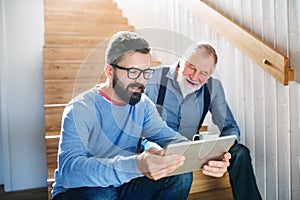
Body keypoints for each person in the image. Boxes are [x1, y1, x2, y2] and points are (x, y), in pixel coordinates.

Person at [51, 31, 231, 200]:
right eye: (133, 72)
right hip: (80, 190)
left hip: (123, 185)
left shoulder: (143, 105)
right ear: (109, 71)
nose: (141, 81)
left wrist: (209, 157)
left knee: (180, 176)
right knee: (101, 195)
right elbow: (69, 172)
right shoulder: (80, 108)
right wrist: (137, 165)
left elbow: (172, 139)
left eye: (146, 73)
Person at [145, 43, 262, 200]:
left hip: (190, 148)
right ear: (181, 61)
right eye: (191, 67)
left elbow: (230, 126)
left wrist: (224, 149)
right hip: (158, 148)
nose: (194, 77)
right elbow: (138, 126)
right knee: (181, 175)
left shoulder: (213, 88)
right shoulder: (153, 79)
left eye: (203, 73)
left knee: (240, 152)